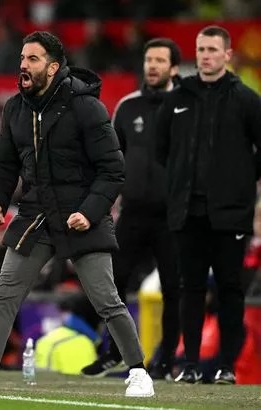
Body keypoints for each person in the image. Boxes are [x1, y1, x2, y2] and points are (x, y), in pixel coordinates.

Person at [0, 31, 154, 398]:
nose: (23, 65)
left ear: (53, 67)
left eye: (33, 59)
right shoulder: (14, 109)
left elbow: (113, 169)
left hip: (80, 213)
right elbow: (3, 165)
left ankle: (138, 372)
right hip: (36, 215)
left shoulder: (87, 107)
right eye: (22, 58)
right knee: (3, 293)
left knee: (106, 298)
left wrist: (89, 212)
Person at [156, 25, 261, 385]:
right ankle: (190, 364)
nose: (205, 55)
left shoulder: (246, 100)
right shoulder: (176, 100)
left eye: (213, 49)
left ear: (227, 54)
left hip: (230, 213)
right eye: (201, 49)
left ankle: (226, 366)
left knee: (230, 289)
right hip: (187, 212)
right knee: (191, 288)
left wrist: (243, 180)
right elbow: (161, 150)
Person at [82, 38, 182, 380]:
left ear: (174, 68)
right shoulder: (127, 106)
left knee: (174, 287)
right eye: (148, 59)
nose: (152, 65)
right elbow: (110, 158)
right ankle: (114, 352)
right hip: (133, 212)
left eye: (159, 60)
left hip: (174, 216)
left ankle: (167, 360)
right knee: (113, 282)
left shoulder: (187, 105)